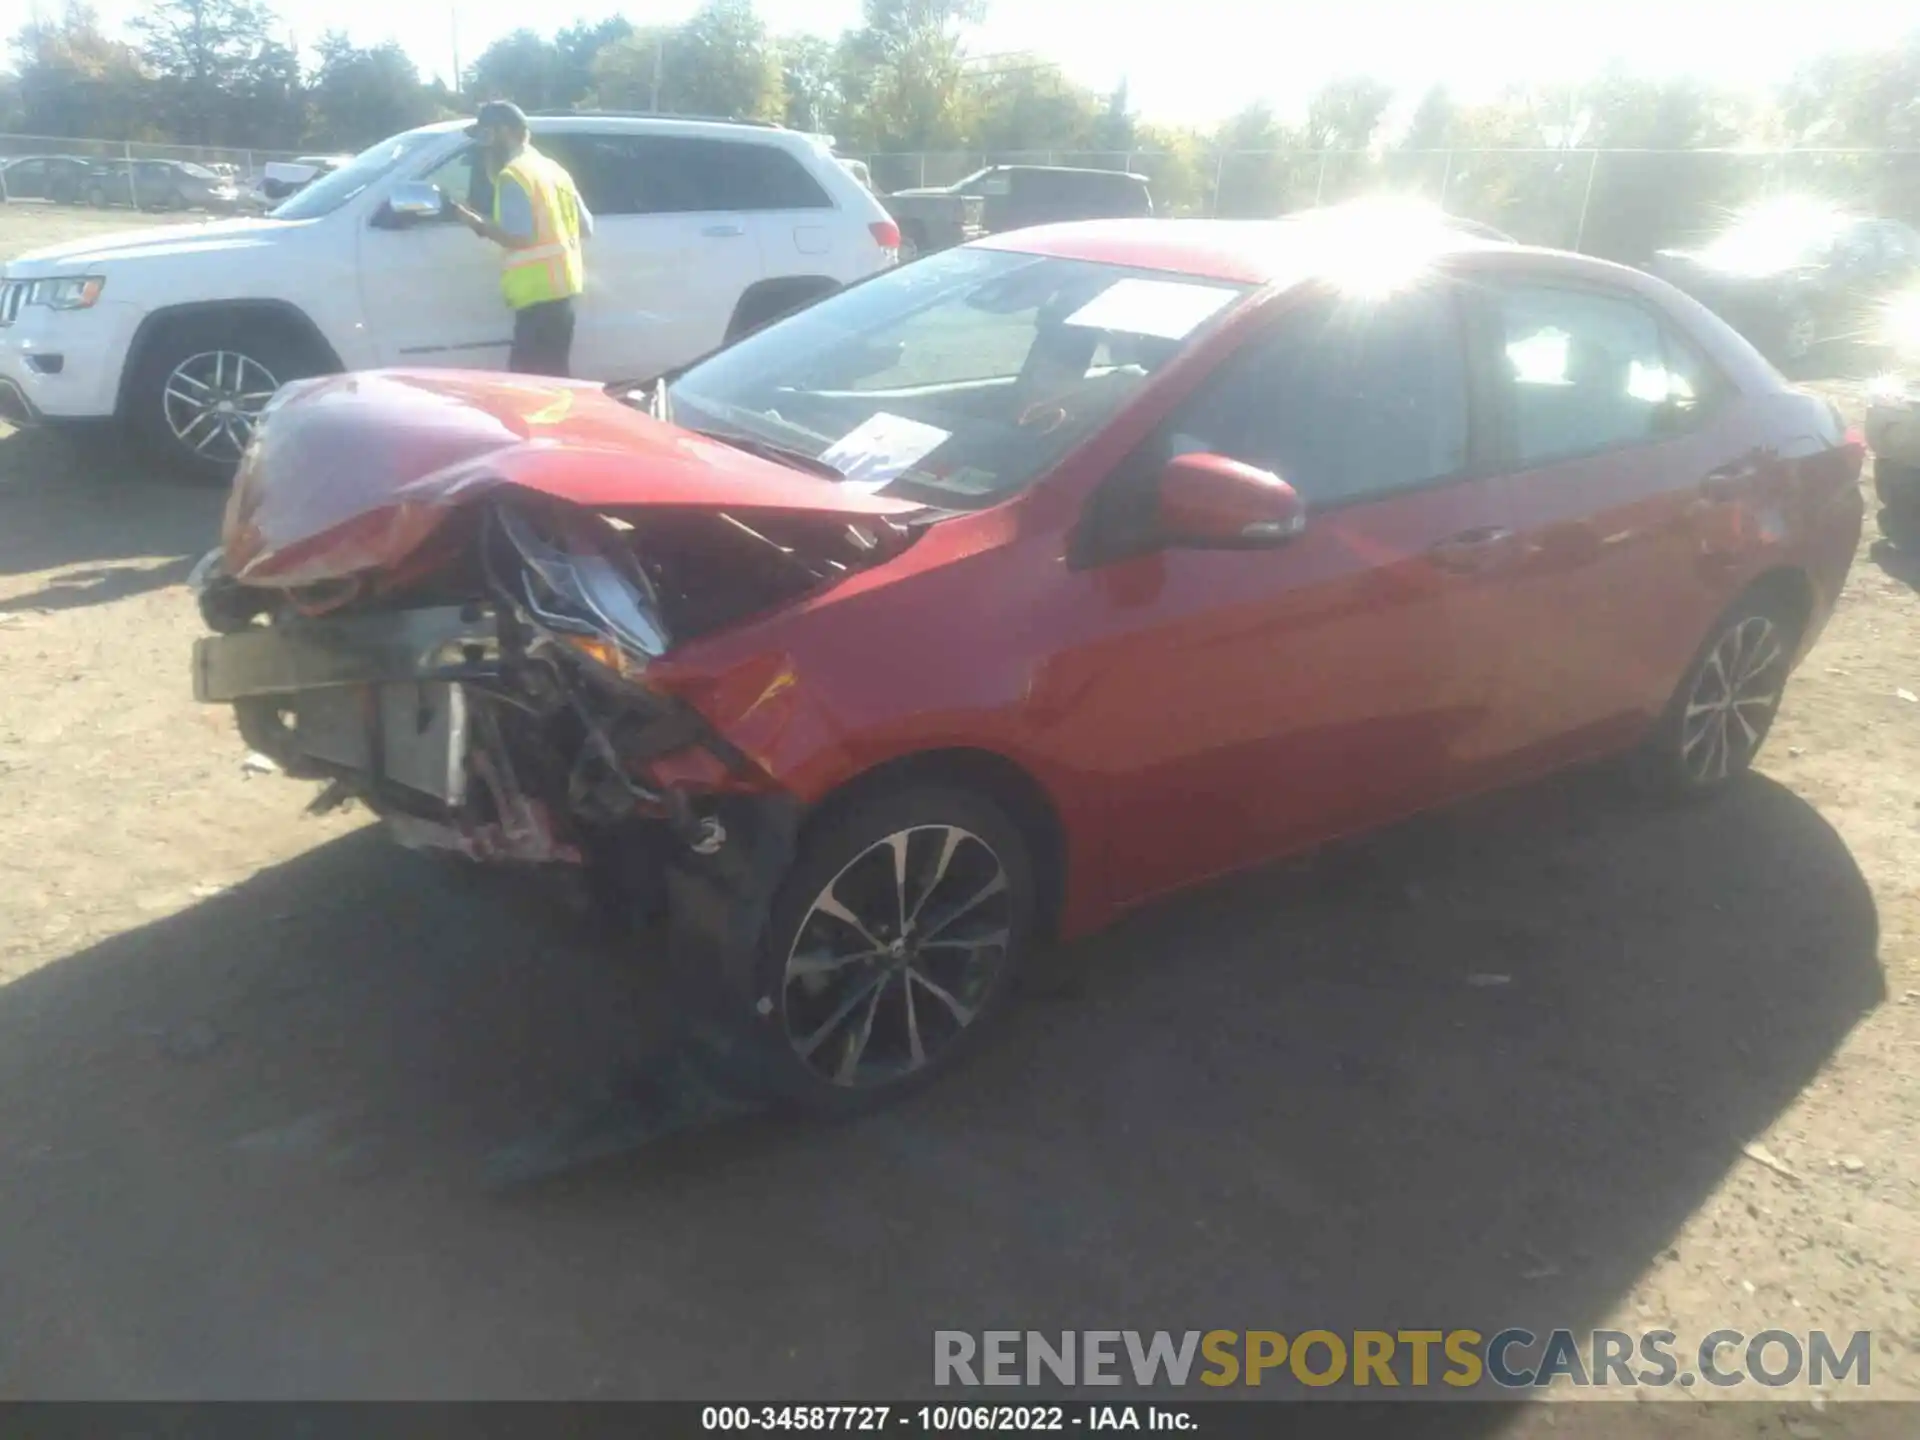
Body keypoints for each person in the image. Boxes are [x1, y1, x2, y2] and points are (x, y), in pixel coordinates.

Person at [449, 101, 594, 377]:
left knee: (528, 387)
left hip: (536, 296)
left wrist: (470, 220)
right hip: (564, 290)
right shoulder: (553, 169)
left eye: (485, 136)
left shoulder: (513, 175)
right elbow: (587, 227)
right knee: (556, 380)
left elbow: (518, 237)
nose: (483, 147)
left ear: (504, 132)